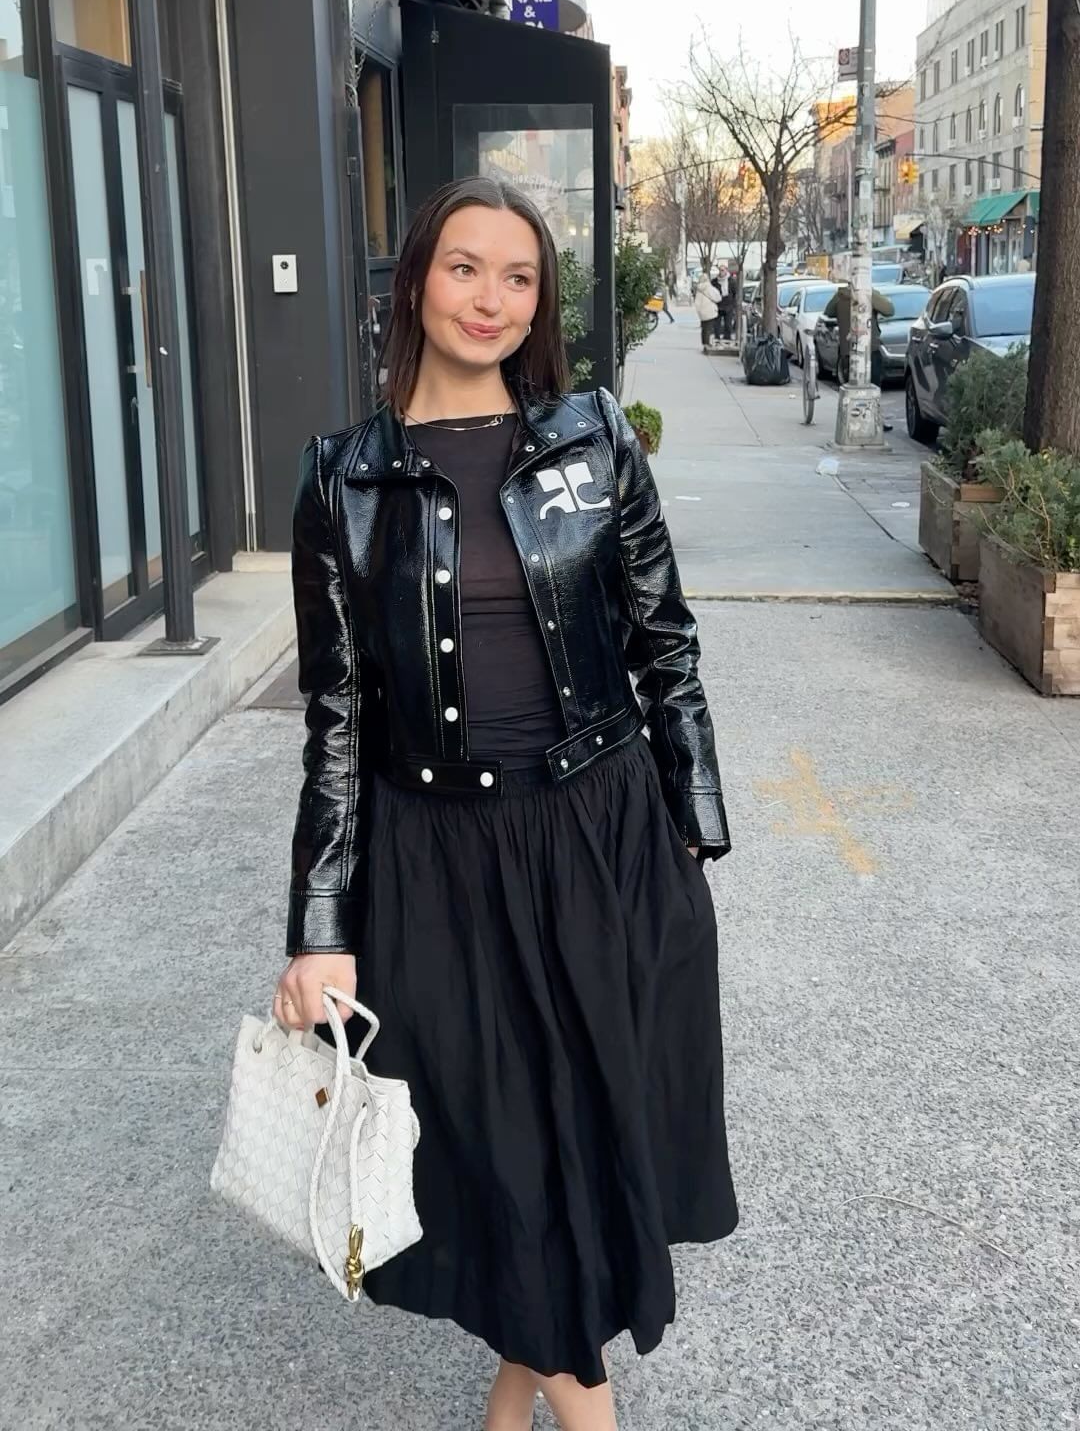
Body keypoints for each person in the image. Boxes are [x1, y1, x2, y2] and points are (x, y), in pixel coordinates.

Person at [275, 176, 737, 1431]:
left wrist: (690, 836)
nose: (491, 298)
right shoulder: (341, 480)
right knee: (506, 1152)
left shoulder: (594, 439)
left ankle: (512, 1407)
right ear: (416, 282)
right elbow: (337, 716)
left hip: (599, 835)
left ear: (541, 302)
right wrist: (319, 929)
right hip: (438, 863)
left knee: (581, 1140)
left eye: (519, 276)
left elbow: (665, 642)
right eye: (465, 267)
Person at [824, 281, 896, 429]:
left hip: (848, 351)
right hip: (869, 349)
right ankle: (874, 420)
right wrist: (869, 293)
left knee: (853, 389)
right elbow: (889, 310)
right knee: (873, 387)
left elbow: (829, 312)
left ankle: (855, 420)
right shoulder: (867, 295)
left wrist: (842, 294)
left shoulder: (841, 296)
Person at [693, 270, 721, 352]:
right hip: (710, 310)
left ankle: (704, 343)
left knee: (704, 328)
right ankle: (707, 344)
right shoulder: (709, 288)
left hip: (702, 311)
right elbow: (718, 298)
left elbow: (697, 302)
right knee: (709, 327)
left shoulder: (699, 289)